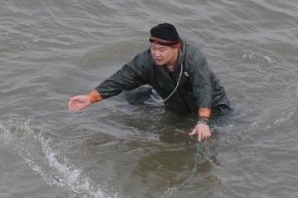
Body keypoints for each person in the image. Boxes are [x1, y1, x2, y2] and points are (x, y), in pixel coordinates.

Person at [68, 23, 231, 142]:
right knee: (171, 139)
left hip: (212, 106)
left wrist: (203, 121)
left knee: (213, 138)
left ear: (176, 48)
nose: (156, 54)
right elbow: (121, 78)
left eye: (162, 50)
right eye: (153, 48)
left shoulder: (194, 59)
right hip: (176, 106)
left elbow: (203, 89)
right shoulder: (146, 60)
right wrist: (90, 98)